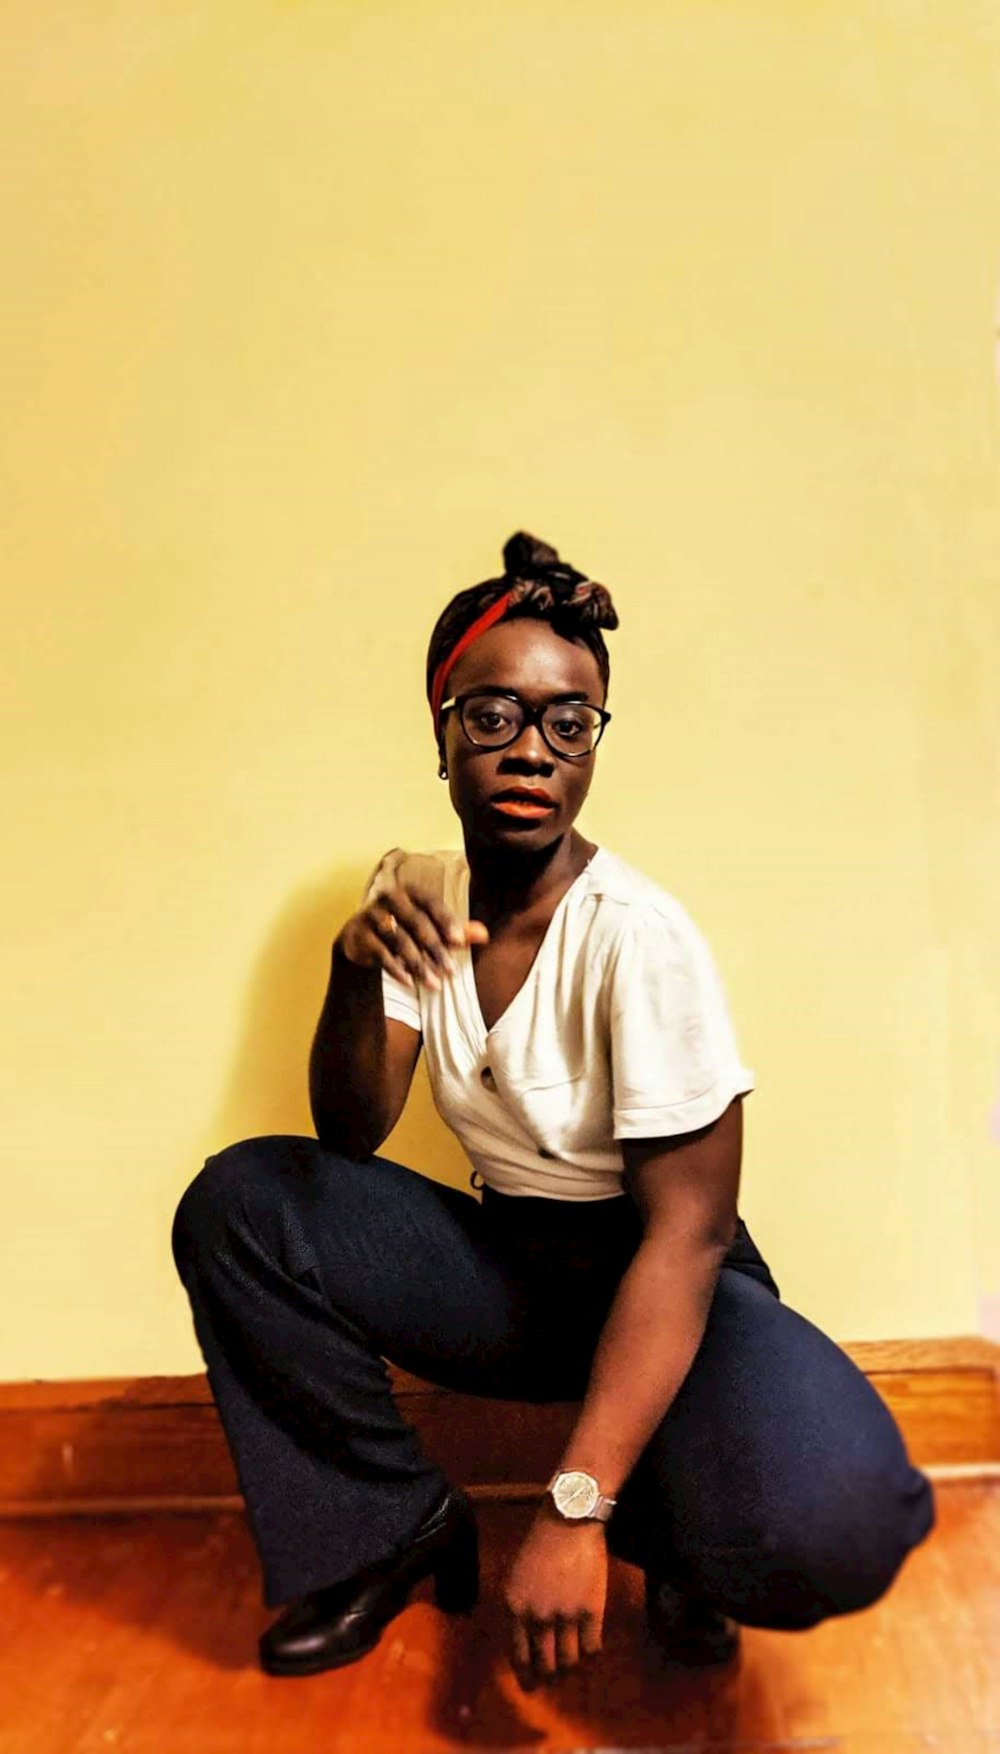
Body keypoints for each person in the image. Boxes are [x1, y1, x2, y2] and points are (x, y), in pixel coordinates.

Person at [171, 531, 936, 1692]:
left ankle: (674, 1537)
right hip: (509, 1263)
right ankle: (390, 1532)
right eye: (493, 715)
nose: (530, 750)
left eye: (567, 722)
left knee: (840, 1516)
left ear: (592, 745)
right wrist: (348, 962)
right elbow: (347, 1134)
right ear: (440, 732)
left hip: (665, 1272)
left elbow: (685, 1236)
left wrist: (573, 1512)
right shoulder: (415, 895)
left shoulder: (640, 934)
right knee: (243, 1201)